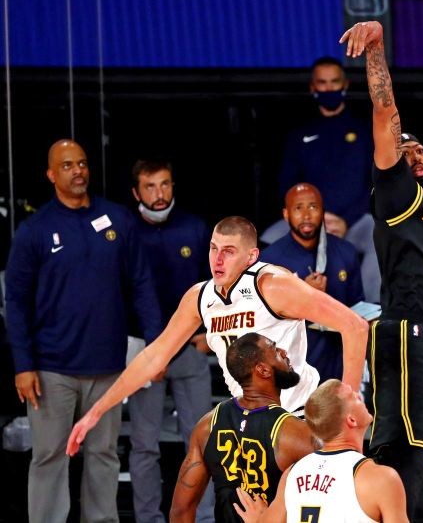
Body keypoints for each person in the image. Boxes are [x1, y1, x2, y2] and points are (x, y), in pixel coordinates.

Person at [339, 0, 423, 520]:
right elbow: (385, 112)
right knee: (403, 455)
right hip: (403, 330)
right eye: (406, 148)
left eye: (420, 149)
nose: (415, 152)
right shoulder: (393, 190)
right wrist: (376, 47)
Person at [67, 215, 368, 455]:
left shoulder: (273, 285)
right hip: (248, 421)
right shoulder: (199, 297)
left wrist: (347, 407)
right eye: (213, 248)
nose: (218, 259)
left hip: (296, 416)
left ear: (251, 256)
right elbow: (154, 356)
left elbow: (355, 326)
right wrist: (96, 412)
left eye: (228, 251)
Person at [4, 139, 161, 523]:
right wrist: (23, 365)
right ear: (51, 174)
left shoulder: (118, 220)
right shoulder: (34, 230)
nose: (78, 171)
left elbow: (141, 284)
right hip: (51, 369)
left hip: (108, 366)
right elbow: (17, 303)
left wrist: (156, 350)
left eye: (83, 163)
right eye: (68, 165)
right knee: (49, 456)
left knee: (104, 455)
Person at [127, 159, 215, 523]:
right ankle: (148, 518)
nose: (159, 194)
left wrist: (209, 331)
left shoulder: (195, 228)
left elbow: (215, 284)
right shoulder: (124, 230)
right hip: (144, 350)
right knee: (144, 444)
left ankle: (202, 517)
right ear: (136, 192)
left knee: (200, 441)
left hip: (188, 348)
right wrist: (146, 350)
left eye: (165, 185)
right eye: (150, 186)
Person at [262, 56, 381, 304]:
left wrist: (345, 220)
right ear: (313, 87)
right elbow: (287, 185)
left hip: (356, 220)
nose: (329, 88)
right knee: (265, 242)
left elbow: (375, 183)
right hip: (310, 217)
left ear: (345, 84)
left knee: (382, 235)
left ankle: (371, 314)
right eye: (323, 83)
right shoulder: (300, 134)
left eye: (334, 82)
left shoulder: (364, 131)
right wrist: (317, 216)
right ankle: (276, 311)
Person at [170, 332, 319, 522]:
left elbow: (180, 511)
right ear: (263, 370)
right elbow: (325, 507)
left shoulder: (207, 425)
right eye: (275, 350)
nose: (284, 352)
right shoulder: (294, 432)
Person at [233, 378, 409, 523]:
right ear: (352, 420)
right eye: (353, 397)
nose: (359, 395)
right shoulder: (381, 479)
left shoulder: (291, 474)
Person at [260, 182, 365, 383]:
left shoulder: (346, 252)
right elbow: (264, 322)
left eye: (313, 207)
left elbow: (358, 307)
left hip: (339, 365)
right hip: (294, 368)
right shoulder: (269, 261)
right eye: (298, 208)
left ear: (323, 212)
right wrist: (304, 297)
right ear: (286, 214)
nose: (306, 215)